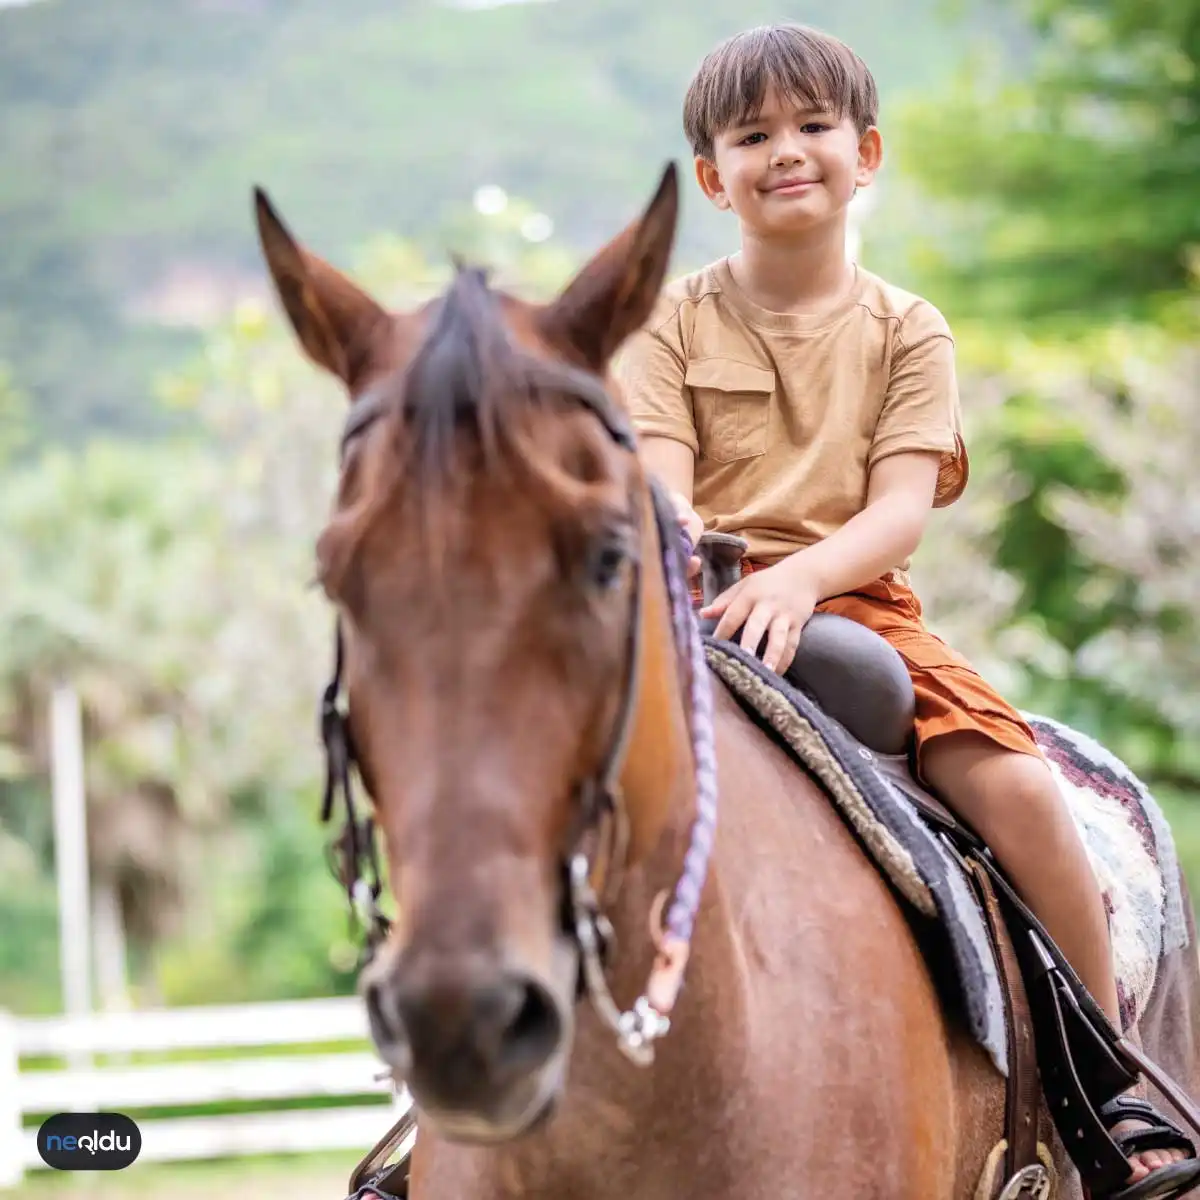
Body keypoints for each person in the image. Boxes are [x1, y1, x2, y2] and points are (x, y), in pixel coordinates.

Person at [614, 22, 1193, 1195]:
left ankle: (1106, 1084)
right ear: (711, 177)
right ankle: (455, 1114)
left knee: (1019, 783)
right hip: (693, 606)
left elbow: (898, 513)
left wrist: (797, 578)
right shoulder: (670, 321)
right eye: (754, 134)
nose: (788, 151)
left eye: (815, 126)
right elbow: (665, 488)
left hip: (858, 604)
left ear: (865, 153)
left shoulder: (907, 329)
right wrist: (714, 571)